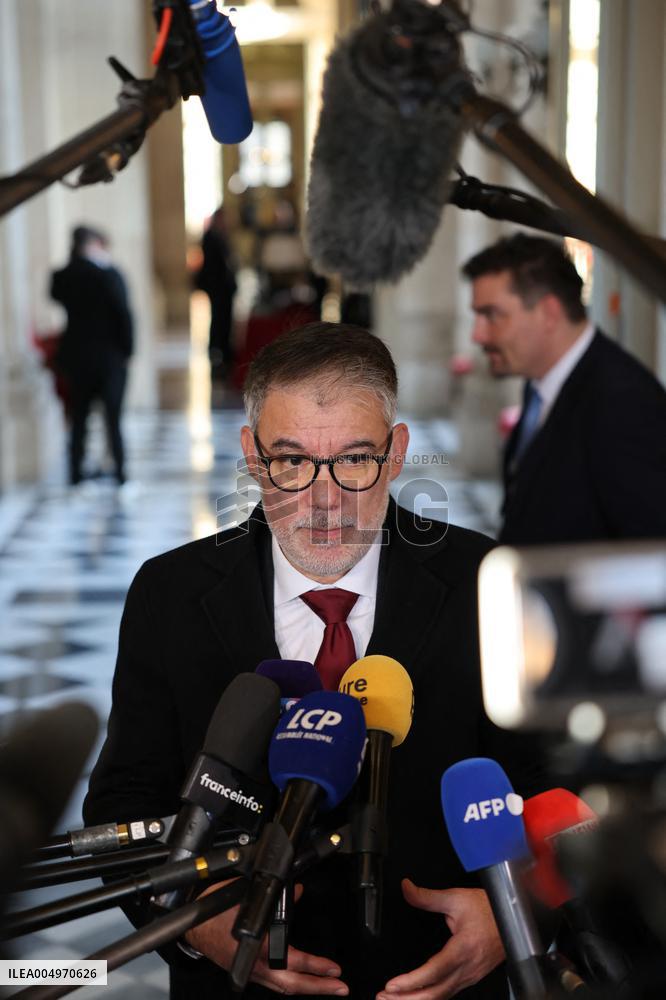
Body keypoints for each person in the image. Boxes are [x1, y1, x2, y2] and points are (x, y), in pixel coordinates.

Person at [84, 322, 545, 1000]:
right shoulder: (170, 595)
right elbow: (124, 809)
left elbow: (554, 793)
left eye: (355, 459)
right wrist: (192, 924)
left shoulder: (490, 582)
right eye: (292, 461)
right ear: (250, 454)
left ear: (397, 454)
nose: (325, 500)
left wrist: (513, 916)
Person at [462, 233, 666, 545]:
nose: (478, 335)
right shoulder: (540, 382)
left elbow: (649, 552)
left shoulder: (623, 403)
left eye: (491, 315)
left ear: (549, 312)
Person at [50, 225, 133, 487]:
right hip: (109, 359)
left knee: (79, 418)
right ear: (93, 244)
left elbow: (56, 291)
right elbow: (124, 314)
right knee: (113, 419)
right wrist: (128, 350)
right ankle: (120, 472)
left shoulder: (65, 275)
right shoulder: (107, 274)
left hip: (78, 359)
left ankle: (75, 473)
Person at [196, 206, 238, 381]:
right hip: (217, 288)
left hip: (225, 289)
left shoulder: (222, 236)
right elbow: (213, 266)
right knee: (218, 321)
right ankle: (217, 354)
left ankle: (225, 355)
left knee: (225, 321)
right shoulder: (210, 237)